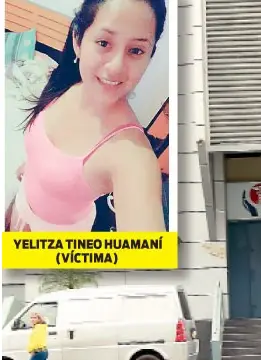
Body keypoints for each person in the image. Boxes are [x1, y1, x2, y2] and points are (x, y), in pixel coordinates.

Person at [6, 0, 167, 232]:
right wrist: (33, 168)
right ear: (78, 40)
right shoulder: (65, 82)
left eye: (136, 50)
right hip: (20, 209)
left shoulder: (132, 156)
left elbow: (148, 260)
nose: (116, 67)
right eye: (104, 43)